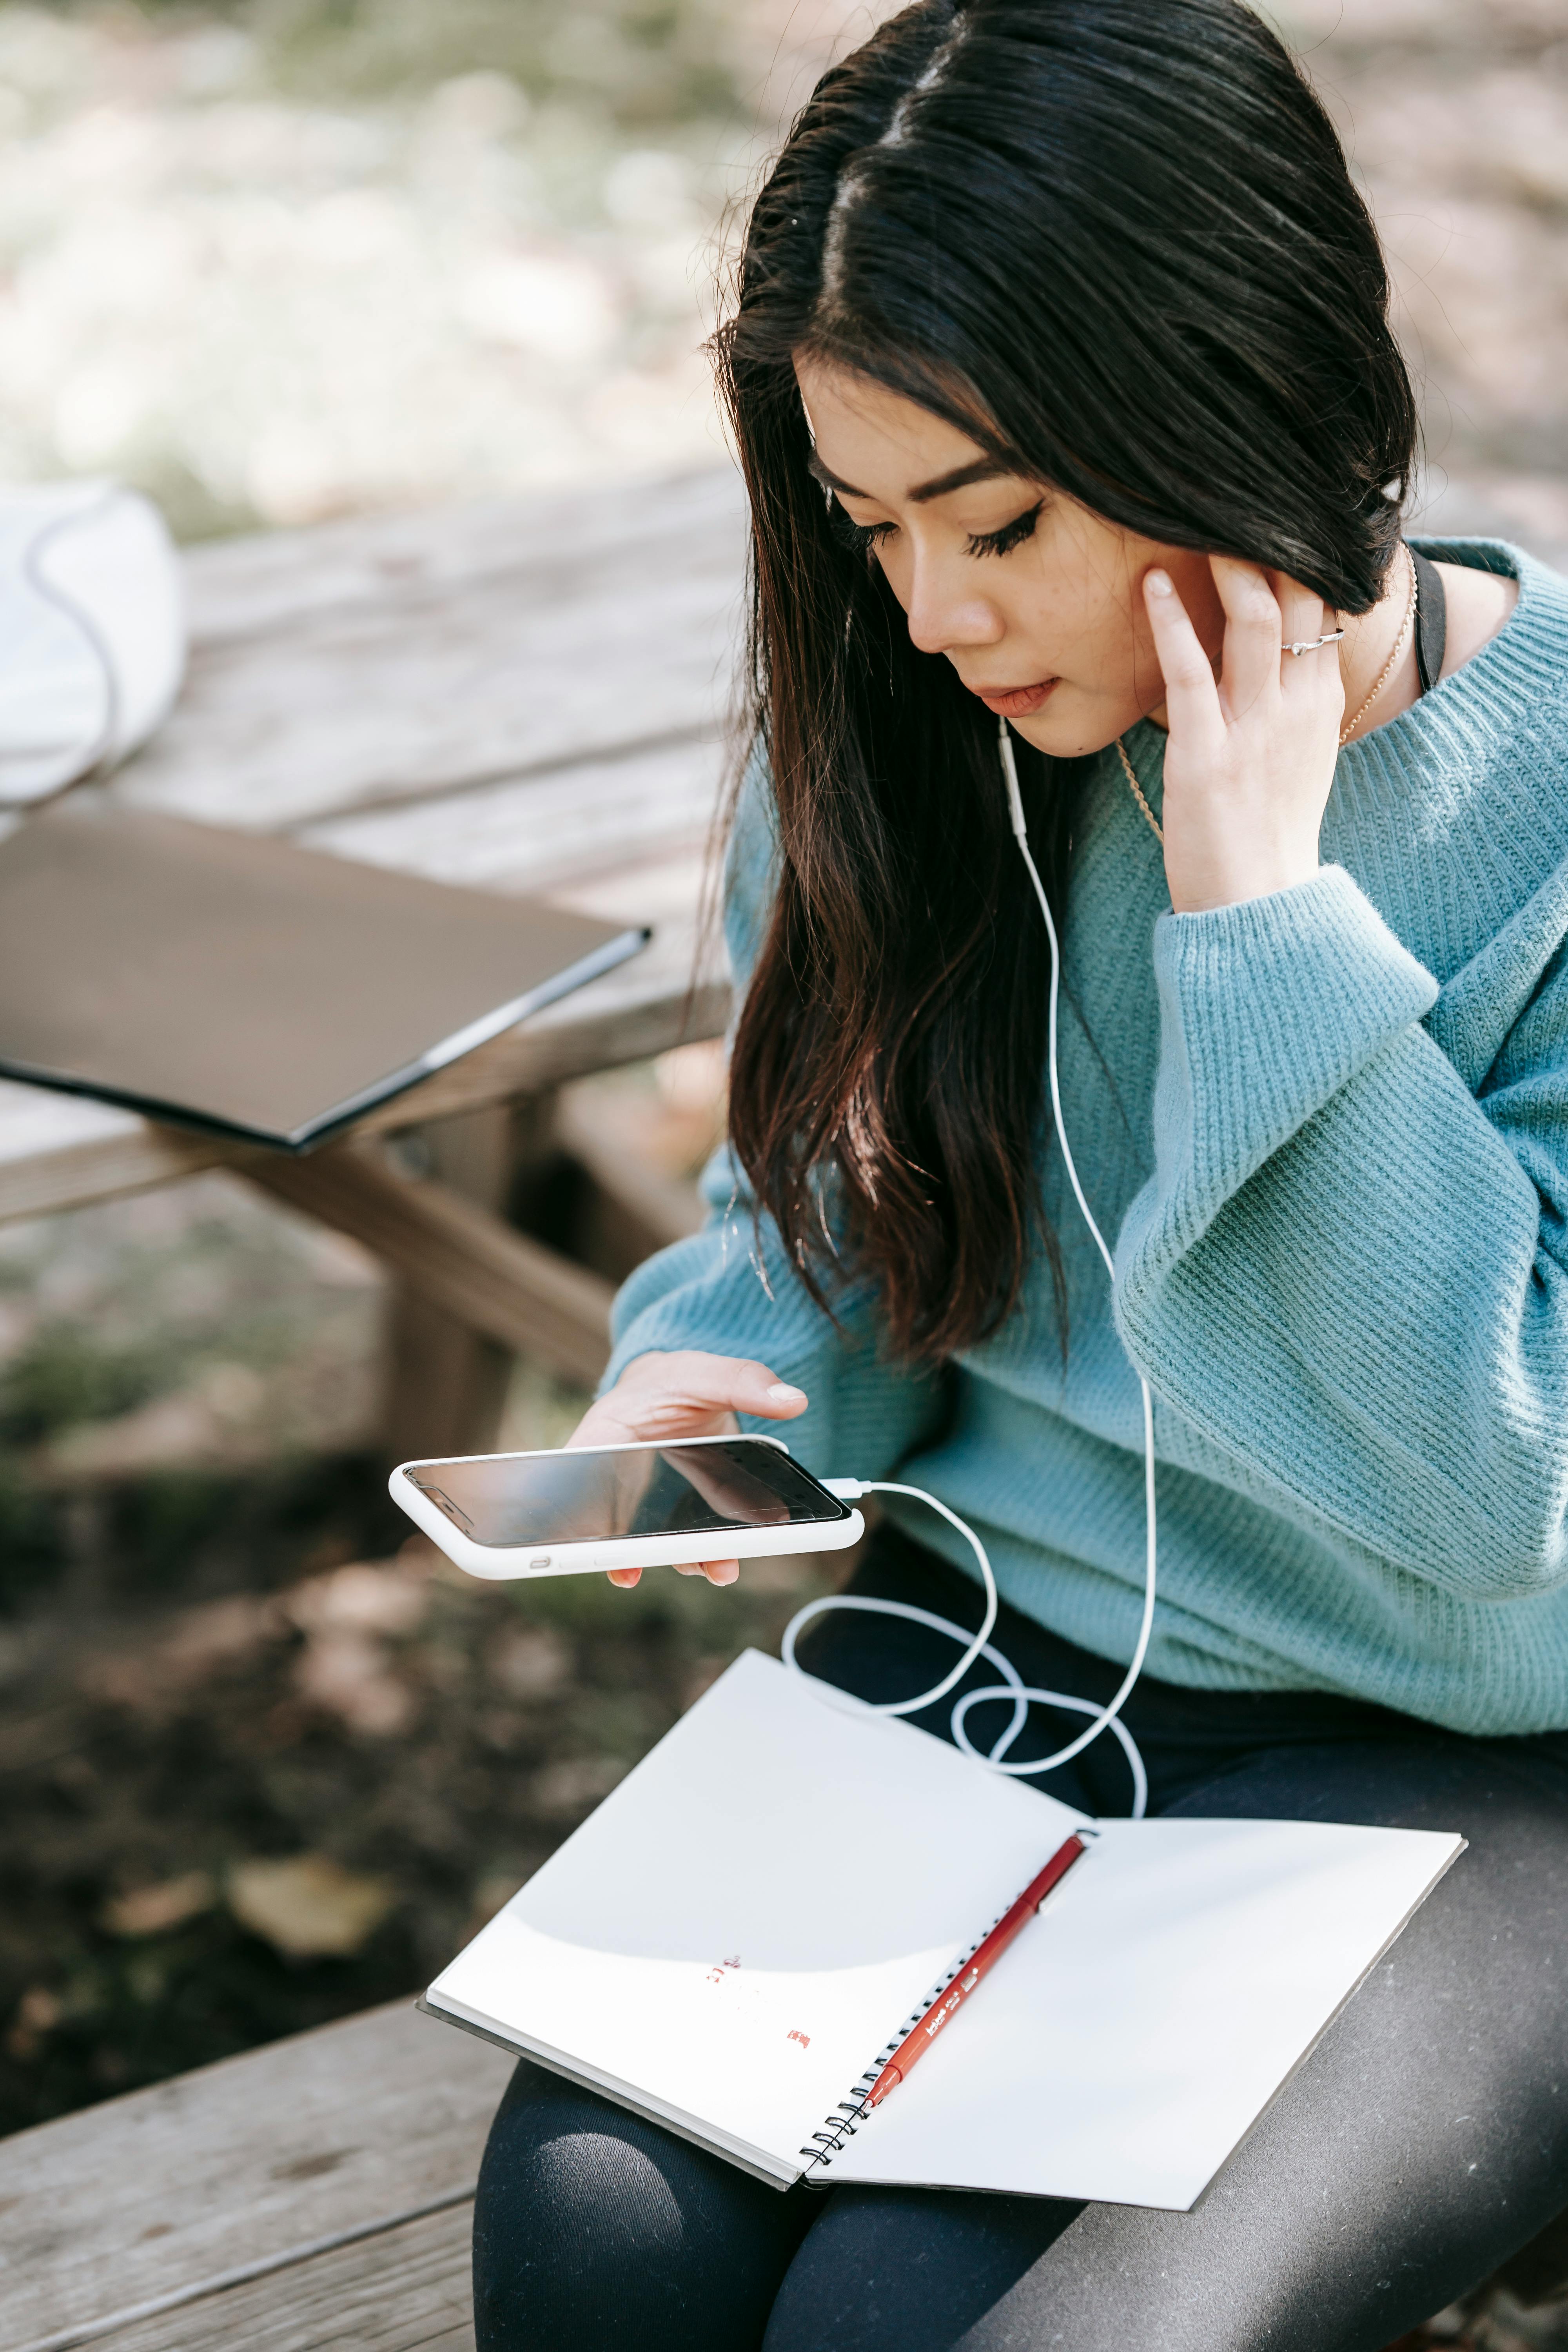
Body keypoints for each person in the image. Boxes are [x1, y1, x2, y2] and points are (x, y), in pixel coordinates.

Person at [471, 1, 1568, 2343]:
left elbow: (1520, 1510)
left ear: (1242, 399)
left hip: (1466, 1756)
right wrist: (715, 1394)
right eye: (869, 528)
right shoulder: (914, 734)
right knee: (596, 2258)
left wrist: (1266, 926)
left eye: (1000, 523)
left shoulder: (1548, 807)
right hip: (996, 1655)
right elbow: (817, 1215)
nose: (934, 615)